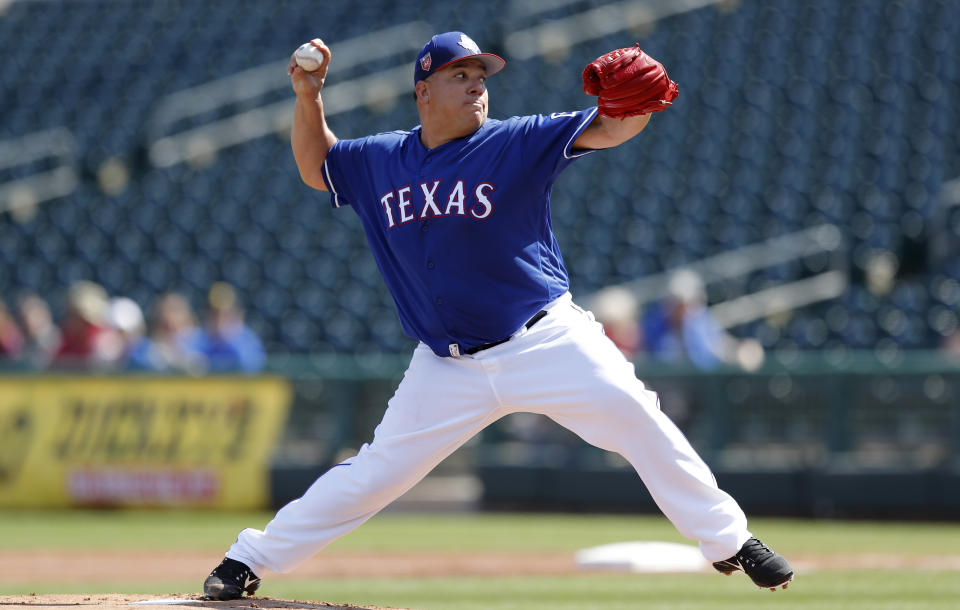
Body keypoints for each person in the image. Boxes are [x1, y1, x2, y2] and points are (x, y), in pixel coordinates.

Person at [203, 32, 793, 599]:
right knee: (374, 473)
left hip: (544, 339)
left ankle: (730, 540)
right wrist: (309, 98)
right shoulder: (379, 160)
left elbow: (612, 127)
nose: (476, 85)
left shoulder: (518, 140)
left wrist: (633, 106)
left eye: (480, 75)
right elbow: (316, 166)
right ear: (423, 91)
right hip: (446, 364)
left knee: (638, 417)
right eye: (459, 75)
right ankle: (247, 560)